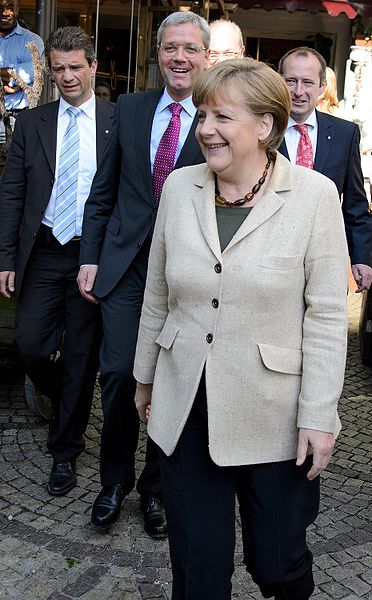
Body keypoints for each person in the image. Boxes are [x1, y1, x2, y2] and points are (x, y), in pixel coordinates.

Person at [133, 57, 349, 599]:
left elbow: (325, 315)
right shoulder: (181, 188)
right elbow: (158, 291)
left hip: (274, 412)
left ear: (265, 126)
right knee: (198, 572)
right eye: (203, 115)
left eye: (222, 117)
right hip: (188, 403)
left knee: (276, 563)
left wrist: (320, 414)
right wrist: (145, 377)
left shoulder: (315, 196)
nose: (205, 129)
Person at [77, 11, 210, 537]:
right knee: (118, 377)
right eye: (170, 48)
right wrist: (90, 256)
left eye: (190, 49)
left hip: (188, 272)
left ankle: (155, 489)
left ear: (206, 57)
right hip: (126, 269)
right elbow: (103, 191)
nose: (180, 58)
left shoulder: (217, 114)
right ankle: (114, 482)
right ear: (159, 55)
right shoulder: (129, 109)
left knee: (172, 381)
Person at [0, 26, 114, 497]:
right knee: (28, 344)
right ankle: (64, 393)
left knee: (83, 356)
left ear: (92, 66)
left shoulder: (116, 120)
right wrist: (5, 257)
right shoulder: (32, 123)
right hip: (44, 250)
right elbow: (12, 193)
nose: (67, 77)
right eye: (59, 68)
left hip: (93, 255)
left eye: (75, 67)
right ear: (49, 69)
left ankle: (65, 450)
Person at [278, 47, 372, 293]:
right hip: (271, 258)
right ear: (279, 82)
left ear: (322, 87)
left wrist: (361, 257)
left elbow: (355, 203)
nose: (299, 91)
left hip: (325, 258)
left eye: (308, 82)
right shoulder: (262, 129)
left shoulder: (344, 134)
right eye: (291, 81)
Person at [0, 0, 44, 113]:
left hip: (19, 117)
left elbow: (33, 72)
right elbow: (21, 76)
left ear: (18, 9)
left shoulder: (32, 40)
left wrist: (11, 76)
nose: (4, 12)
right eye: (0, 7)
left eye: (10, 7)